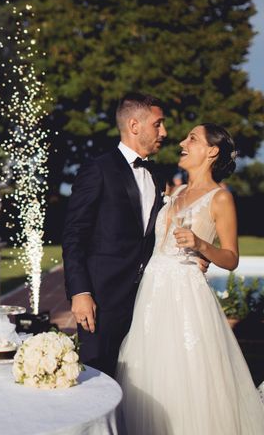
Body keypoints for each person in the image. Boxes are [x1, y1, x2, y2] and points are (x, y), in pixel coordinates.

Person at [117, 123, 264, 434]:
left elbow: (231, 258)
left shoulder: (220, 198)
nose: (182, 142)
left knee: (187, 375)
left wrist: (201, 245)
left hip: (186, 297)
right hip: (152, 293)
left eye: (192, 139)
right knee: (150, 371)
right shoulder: (177, 191)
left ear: (212, 151)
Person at [62, 92, 167, 377]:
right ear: (135, 126)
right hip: (102, 300)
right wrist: (80, 292)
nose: (164, 132)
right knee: (97, 377)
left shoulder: (158, 176)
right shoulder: (98, 169)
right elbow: (73, 235)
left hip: (147, 297)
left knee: (139, 379)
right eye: (158, 124)